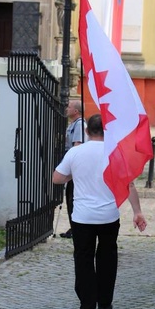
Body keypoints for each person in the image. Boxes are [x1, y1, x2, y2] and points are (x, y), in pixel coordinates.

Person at [53, 114, 147, 309]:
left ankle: (86, 306)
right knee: (107, 258)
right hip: (108, 215)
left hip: (82, 217)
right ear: (107, 131)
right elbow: (128, 184)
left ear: (87, 131)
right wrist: (137, 211)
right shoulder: (116, 153)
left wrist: (73, 175)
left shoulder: (76, 152)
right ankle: (105, 301)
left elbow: (57, 178)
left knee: (83, 258)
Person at [59, 99, 87, 239]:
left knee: (73, 198)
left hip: (75, 169)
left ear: (76, 111)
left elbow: (77, 146)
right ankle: (74, 226)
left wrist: (70, 168)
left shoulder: (80, 125)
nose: (66, 108)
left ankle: (76, 227)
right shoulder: (73, 124)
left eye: (69, 106)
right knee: (70, 197)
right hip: (72, 167)